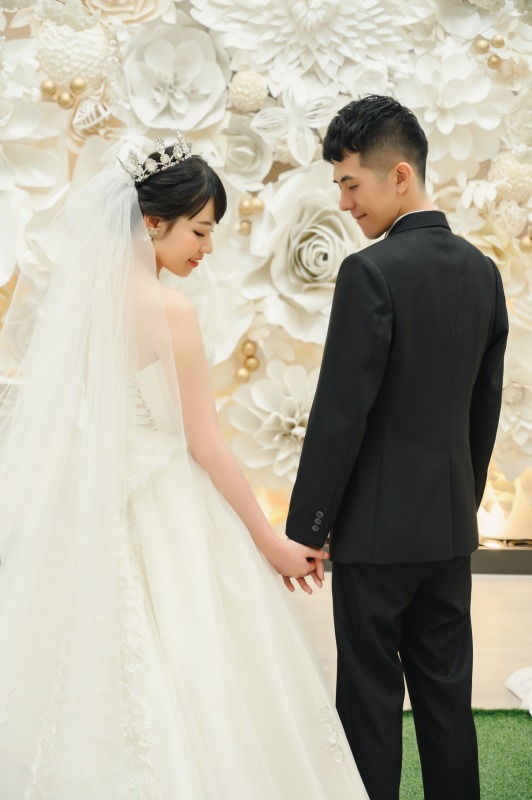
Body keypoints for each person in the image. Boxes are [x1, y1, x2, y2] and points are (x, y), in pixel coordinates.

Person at [0, 133, 370, 798]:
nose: (207, 248)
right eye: (199, 231)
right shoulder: (170, 309)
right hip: (166, 497)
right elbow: (206, 443)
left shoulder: (84, 304)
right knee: (195, 663)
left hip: (96, 493)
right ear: (152, 222)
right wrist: (271, 544)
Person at [285, 95, 508, 800]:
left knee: (370, 702)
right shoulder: (483, 271)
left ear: (400, 175)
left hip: (375, 539)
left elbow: (340, 414)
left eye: (352, 183)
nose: (344, 203)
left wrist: (308, 528)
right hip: (447, 530)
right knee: (446, 698)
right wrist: (459, 503)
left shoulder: (370, 273)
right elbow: (483, 410)